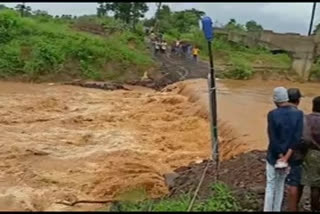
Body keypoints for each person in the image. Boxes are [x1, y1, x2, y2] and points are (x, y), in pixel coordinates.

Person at [264, 87, 304, 212]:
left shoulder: (272, 114)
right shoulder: (298, 114)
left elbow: (273, 137)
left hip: (273, 155)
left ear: (275, 100)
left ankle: (267, 209)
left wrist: (280, 155)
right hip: (289, 156)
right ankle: (276, 209)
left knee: (271, 185)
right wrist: (286, 157)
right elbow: (296, 137)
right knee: (280, 185)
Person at [284, 88, 305, 211]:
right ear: (298, 101)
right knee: (294, 183)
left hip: (279, 153)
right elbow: (302, 137)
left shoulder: (276, 113)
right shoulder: (300, 115)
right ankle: (292, 208)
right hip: (295, 154)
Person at [301, 96, 320, 211]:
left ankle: (313, 208)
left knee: (310, 184)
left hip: (309, 153)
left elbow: (302, 138)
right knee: (317, 185)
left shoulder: (305, 119)